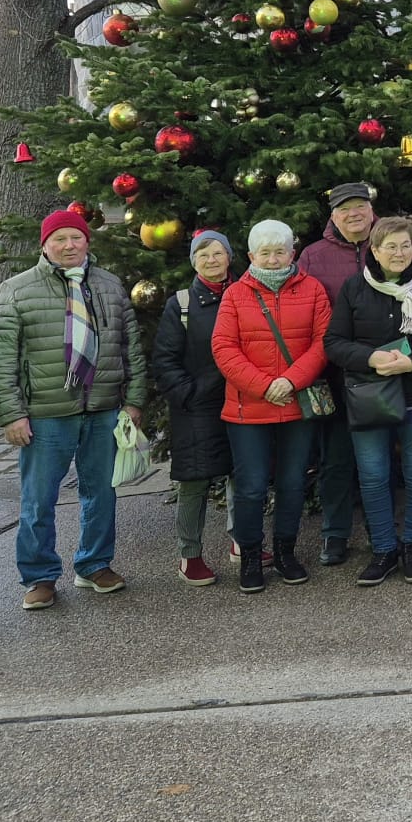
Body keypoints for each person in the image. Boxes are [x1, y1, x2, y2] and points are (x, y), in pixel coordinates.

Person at [0, 208, 147, 610]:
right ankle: (39, 576)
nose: (68, 245)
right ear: (45, 245)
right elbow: (0, 358)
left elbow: (132, 349)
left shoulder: (110, 286)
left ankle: (94, 563)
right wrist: (10, 413)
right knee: (38, 499)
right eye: (59, 239)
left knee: (101, 493)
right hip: (45, 413)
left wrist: (134, 400)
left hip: (103, 408)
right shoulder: (17, 290)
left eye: (75, 238)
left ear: (87, 242)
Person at [324, 214, 412, 584]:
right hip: (370, 395)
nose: (399, 253)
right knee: (373, 476)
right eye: (391, 246)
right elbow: (333, 343)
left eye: (405, 245)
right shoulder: (354, 288)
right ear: (375, 250)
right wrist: (371, 358)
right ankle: (383, 548)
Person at [212, 220, 332, 593]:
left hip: (296, 404)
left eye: (280, 251)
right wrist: (266, 386)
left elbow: (323, 342)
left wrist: (291, 381)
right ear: (251, 257)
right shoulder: (235, 295)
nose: (274, 258)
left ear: (292, 253)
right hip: (249, 408)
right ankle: (251, 556)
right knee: (250, 487)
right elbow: (223, 348)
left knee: (293, 483)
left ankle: (285, 551)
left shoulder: (312, 289)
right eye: (265, 252)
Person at [296, 181, 376, 568]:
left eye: (360, 205)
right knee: (337, 459)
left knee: (382, 456)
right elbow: (302, 317)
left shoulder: (390, 244)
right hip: (335, 376)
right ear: (333, 215)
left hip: (384, 372)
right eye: (345, 208)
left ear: (371, 209)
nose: (354, 214)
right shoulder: (312, 257)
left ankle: (383, 532)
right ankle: (335, 533)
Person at [150, 230, 237, 585]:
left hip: (241, 398)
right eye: (204, 255)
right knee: (195, 481)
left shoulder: (244, 293)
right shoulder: (181, 304)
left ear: (229, 256)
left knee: (240, 474)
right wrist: (191, 393)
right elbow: (165, 359)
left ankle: (241, 542)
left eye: (218, 253)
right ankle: (190, 554)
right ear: (194, 262)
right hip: (197, 405)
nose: (212, 260)